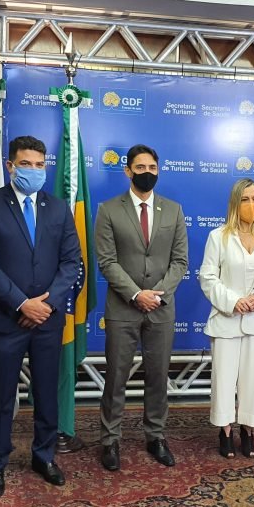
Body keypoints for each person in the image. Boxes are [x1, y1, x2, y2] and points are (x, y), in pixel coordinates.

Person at [0, 135, 81, 495]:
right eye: (26, 164)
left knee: (47, 391)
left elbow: (71, 262)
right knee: (1, 394)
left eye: (39, 164)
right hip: (6, 318)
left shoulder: (59, 208)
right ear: (10, 166)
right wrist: (21, 303)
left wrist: (46, 305)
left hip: (48, 319)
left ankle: (44, 456)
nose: (34, 170)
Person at [96, 144, 188, 471]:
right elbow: (106, 261)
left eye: (152, 168)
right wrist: (136, 294)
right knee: (116, 377)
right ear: (127, 171)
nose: (146, 173)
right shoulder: (108, 210)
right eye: (140, 168)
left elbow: (180, 261)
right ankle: (110, 440)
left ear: (158, 170)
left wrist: (158, 295)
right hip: (123, 308)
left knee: (158, 376)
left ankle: (156, 436)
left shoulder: (173, 210)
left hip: (161, 309)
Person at [199, 178, 254, 458]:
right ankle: (225, 430)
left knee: (252, 380)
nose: (251, 204)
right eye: (245, 199)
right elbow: (207, 277)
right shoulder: (218, 237)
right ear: (235, 203)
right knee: (224, 379)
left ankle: (248, 430)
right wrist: (232, 301)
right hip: (226, 320)